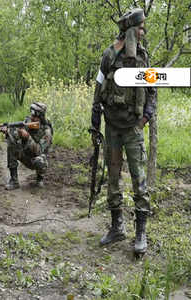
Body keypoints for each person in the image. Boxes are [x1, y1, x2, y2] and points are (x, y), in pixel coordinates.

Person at [90, 8, 157, 255]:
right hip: (112, 130)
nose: (143, 32)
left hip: (132, 129)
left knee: (139, 181)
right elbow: (98, 90)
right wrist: (95, 123)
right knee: (114, 179)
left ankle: (141, 233)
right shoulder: (108, 55)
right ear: (130, 29)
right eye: (140, 28)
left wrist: (145, 118)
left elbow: (152, 91)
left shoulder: (142, 57)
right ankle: (117, 226)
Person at [2, 102, 53, 190]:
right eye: (31, 114)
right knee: (11, 144)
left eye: (34, 115)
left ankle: (39, 179)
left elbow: (39, 150)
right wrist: (8, 132)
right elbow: (16, 136)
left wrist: (27, 137)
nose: (32, 117)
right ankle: (14, 181)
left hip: (36, 160)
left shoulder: (46, 131)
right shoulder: (28, 122)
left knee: (40, 160)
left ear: (40, 116)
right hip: (25, 154)